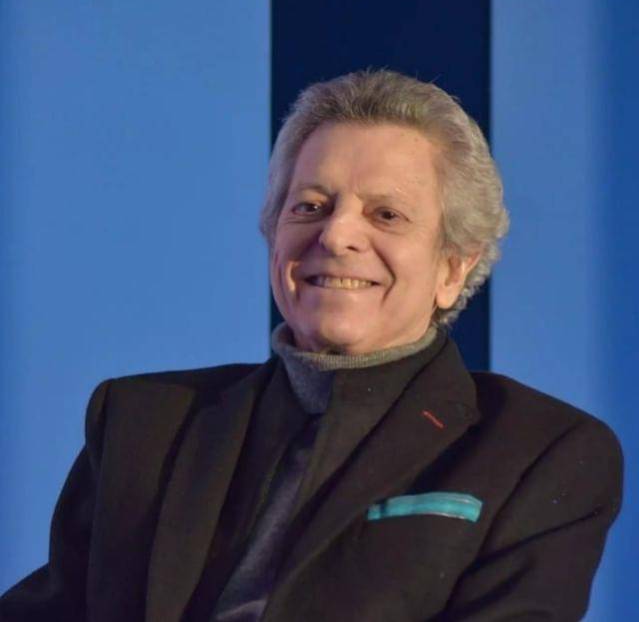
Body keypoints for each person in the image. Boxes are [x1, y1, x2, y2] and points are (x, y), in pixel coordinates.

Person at [0, 70, 623, 622]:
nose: (336, 234)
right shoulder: (142, 422)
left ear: (453, 269)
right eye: (310, 206)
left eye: (386, 215)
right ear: (274, 236)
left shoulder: (540, 452)